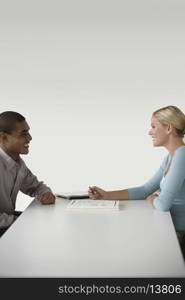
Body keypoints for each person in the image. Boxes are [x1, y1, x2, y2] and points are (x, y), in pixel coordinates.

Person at [88, 105, 185, 257]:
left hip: (180, 235)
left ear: (169, 128)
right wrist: (107, 195)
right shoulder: (170, 157)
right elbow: (145, 190)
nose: (149, 132)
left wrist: (154, 199)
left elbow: (163, 204)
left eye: (153, 126)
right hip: (171, 230)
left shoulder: (182, 156)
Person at [0, 111, 55, 237]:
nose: (30, 138)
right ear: (3, 137)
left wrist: (45, 193)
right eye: (23, 134)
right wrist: (21, 222)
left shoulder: (18, 163)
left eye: (28, 132)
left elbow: (35, 186)